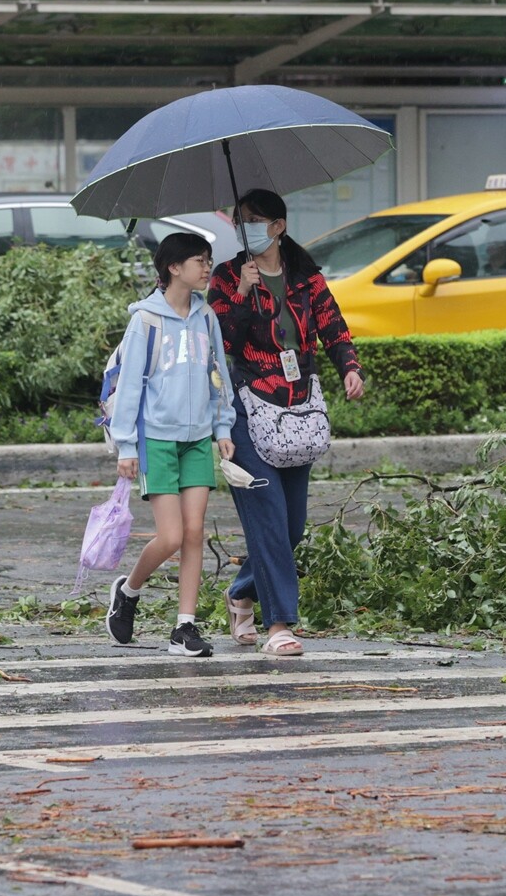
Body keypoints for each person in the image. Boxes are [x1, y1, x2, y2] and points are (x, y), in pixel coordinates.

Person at [207, 189, 364, 657]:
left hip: (296, 410)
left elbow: (333, 325)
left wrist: (349, 368)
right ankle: (279, 624)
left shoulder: (305, 276)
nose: (245, 227)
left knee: (292, 526)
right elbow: (219, 342)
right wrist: (240, 295)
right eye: (240, 220)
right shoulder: (227, 276)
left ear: (278, 226)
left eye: (254, 220)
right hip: (246, 409)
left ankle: (240, 592)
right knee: (269, 515)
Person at [104, 232, 236, 657]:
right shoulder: (146, 320)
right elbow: (128, 388)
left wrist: (223, 428)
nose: (207, 267)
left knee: (195, 532)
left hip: (198, 438)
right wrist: (126, 446)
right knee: (172, 536)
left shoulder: (207, 317)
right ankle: (128, 590)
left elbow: (219, 376)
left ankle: (185, 627)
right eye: (199, 260)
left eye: (208, 259)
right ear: (173, 268)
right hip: (157, 439)